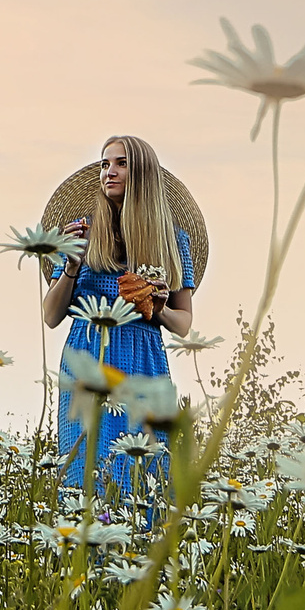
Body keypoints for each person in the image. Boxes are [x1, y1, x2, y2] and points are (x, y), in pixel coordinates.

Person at [41, 134, 196, 512]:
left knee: (145, 470)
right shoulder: (82, 234)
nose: (109, 172)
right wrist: (71, 268)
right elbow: (50, 316)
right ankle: (84, 565)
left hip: (143, 361)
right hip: (87, 360)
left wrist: (156, 307)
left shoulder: (172, 242)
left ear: (142, 172)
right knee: (84, 469)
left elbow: (183, 323)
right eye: (104, 163)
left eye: (121, 163)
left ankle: (142, 562)